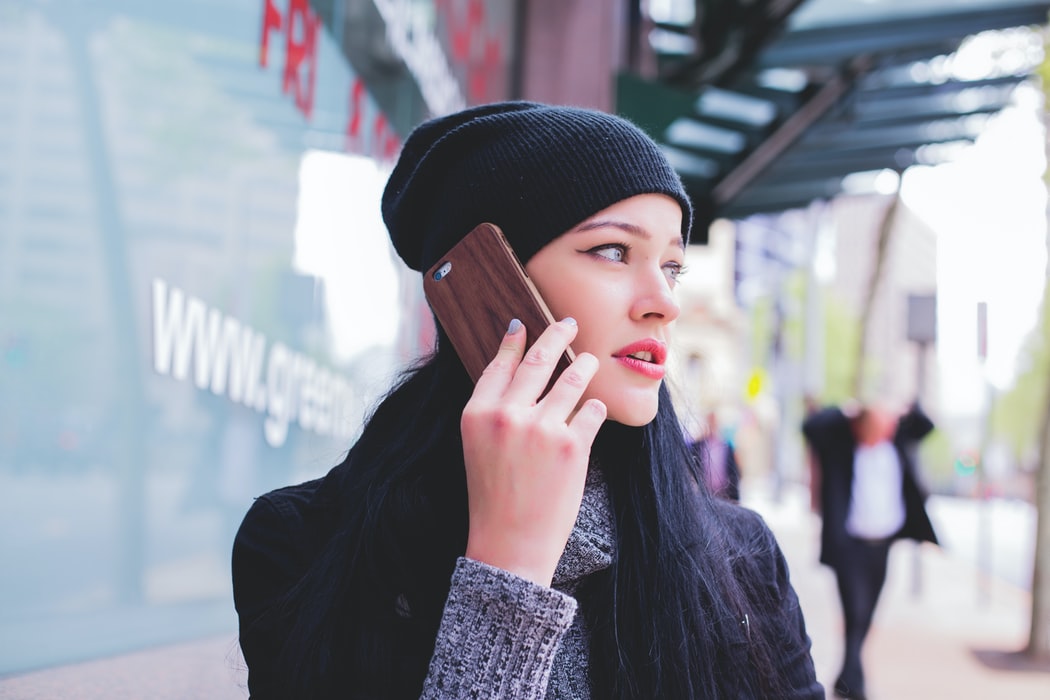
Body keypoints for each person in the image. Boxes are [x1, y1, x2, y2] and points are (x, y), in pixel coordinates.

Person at [232, 101, 823, 699]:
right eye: (614, 251)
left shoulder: (739, 558)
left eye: (672, 266)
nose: (664, 302)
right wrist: (506, 573)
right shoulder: (303, 544)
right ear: (487, 280)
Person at [802, 400, 939, 699]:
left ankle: (847, 677)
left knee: (866, 615)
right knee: (856, 610)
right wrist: (845, 410)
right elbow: (810, 426)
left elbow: (928, 425)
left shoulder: (898, 440)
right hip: (850, 545)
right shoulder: (841, 443)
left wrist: (904, 407)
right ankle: (855, 684)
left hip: (883, 544)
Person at [688, 410, 741, 501]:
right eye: (710, 422)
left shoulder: (726, 447)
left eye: (714, 422)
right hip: (704, 494)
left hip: (724, 494)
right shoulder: (698, 446)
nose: (712, 425)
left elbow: (734, 471)